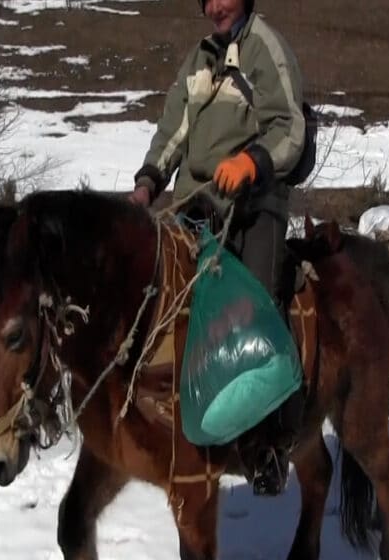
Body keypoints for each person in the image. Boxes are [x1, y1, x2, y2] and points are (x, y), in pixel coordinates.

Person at [128, 0, 308, 496]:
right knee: (161, 307)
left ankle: (268, 442)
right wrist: (147, 184)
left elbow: (290, 127)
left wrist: (252, 163)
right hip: (196, 205)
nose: (215, 7)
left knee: (254, 305)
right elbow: (173, 132)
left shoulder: (264, 48)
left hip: (256, 200)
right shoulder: (199, 60)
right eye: (207, 0)